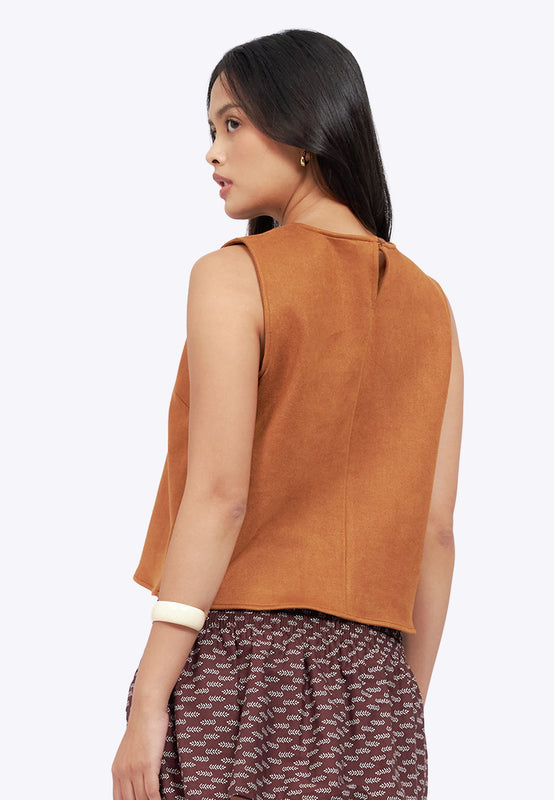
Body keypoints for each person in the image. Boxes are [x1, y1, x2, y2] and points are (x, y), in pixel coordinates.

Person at [112, 29, 463, 800]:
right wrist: (401, 709)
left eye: (233, 123)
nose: (213, 152)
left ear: (304, 128)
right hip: (378, 686)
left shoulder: (234, 277)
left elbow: (219, 496)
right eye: (213, 128)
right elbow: (436, 534)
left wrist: (148, 701)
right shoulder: (429, 304)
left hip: (238, 673)